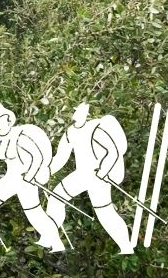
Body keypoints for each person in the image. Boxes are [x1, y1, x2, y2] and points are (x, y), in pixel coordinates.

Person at [0, 94, 65, 252]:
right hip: (10, 180)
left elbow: (36, 157)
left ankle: (57, 243)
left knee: (34, 214)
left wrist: (31, 176)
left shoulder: (19, 136)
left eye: (2, 117)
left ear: (9, 121)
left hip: (25, 180)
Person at [48, 102, 135, 253]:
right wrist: (45, 172)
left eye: (78, 111)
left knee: (104, 212)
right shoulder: (70, 132)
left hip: (96, 176)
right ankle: (53, 240)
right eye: (74, 111)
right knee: (56, 199)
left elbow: (113, 152)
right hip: (83, 174)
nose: (75, 114)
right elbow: (60, 158)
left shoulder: (95, 128)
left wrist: (103, 171)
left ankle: (126, 246)